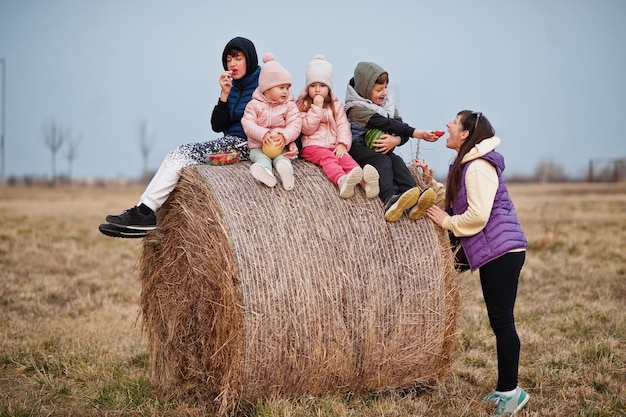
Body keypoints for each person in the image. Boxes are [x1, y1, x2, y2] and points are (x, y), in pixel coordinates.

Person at [100, 37, 297, 237]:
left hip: (247, 145)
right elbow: (217, 125)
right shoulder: (233, 87)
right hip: (229, 142)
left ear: (250, 58)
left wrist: (291, 143)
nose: (232, 64)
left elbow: (289, 111)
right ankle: (143, 210)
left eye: (238, 57)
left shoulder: (266, 82)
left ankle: (144, 212)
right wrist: (224, 94)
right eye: (229, 59)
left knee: (184, 153)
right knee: (180, 153)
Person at [423, 110, 530, 416]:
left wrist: (448, 222)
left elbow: (478, 215)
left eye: (453, 123)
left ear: (466, 134)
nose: (447, 125)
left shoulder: (479, 166)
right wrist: (431, 181)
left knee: (502, 320)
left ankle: (512, 393)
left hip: (503, 252)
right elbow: (461, 201)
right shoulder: (467, 164)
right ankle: (504, 389)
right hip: (496, 251)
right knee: (499, 320)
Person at [344, 61, 439, 222]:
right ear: (365, 89)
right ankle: (389, 198)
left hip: (379, 146)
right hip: (357, 147)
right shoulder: (355, 108)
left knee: (396, 160)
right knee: (383, 161)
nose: (384, 93)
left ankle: (414, 197)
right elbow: (386, 124)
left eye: (386, 88)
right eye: (379, 90)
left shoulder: (388, 105)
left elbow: (400, 128)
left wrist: (396, 140)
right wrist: (418, 133)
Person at [296, 55, 379, 199]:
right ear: (307, 87)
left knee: (346, 158)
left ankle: (366, 183)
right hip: (312, 146)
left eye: (322, 86)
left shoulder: (336, 105)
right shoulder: (303, 105)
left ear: (328, 88)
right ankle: (341, 181)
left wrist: (342, 144)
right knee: (328, 158)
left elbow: (343, 126)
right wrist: (316, 107)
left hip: (332, 145)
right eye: (313, 85)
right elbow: (306, 128)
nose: (317, 90)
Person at [242, 53, 302, 190]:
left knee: (283, 159)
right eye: (281, 88)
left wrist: (284, 135)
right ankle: (266, 173)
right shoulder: (253, 105)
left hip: (281, 146)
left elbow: (295, 124)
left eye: (287, 88)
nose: (285, 92)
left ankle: (286, 173)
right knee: (260, 158)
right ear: (267, 89)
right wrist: (262, 134)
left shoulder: (289, 105)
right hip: (258, 146)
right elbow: (248, 124)